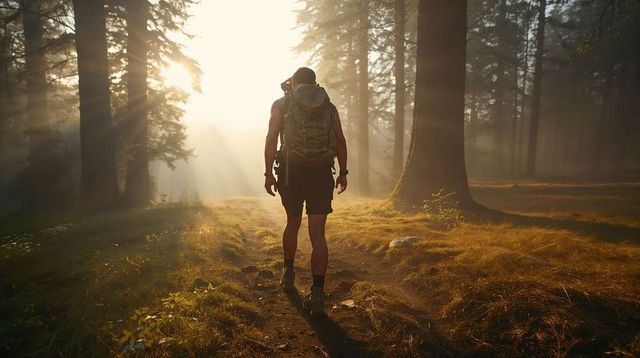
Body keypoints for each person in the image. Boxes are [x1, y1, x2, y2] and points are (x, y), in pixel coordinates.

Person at [263, 67, 348, 315]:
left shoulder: (282, 104)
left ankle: (288, 273)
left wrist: (268, 174)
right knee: (317, 233)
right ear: (315, 84)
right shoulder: (328, 107)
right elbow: (340, 140)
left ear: (294, 83)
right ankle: (318, 293)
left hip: (292, 172)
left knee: (292, 222)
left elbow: (271, 139)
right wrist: (343, 172)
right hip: (322, 171)